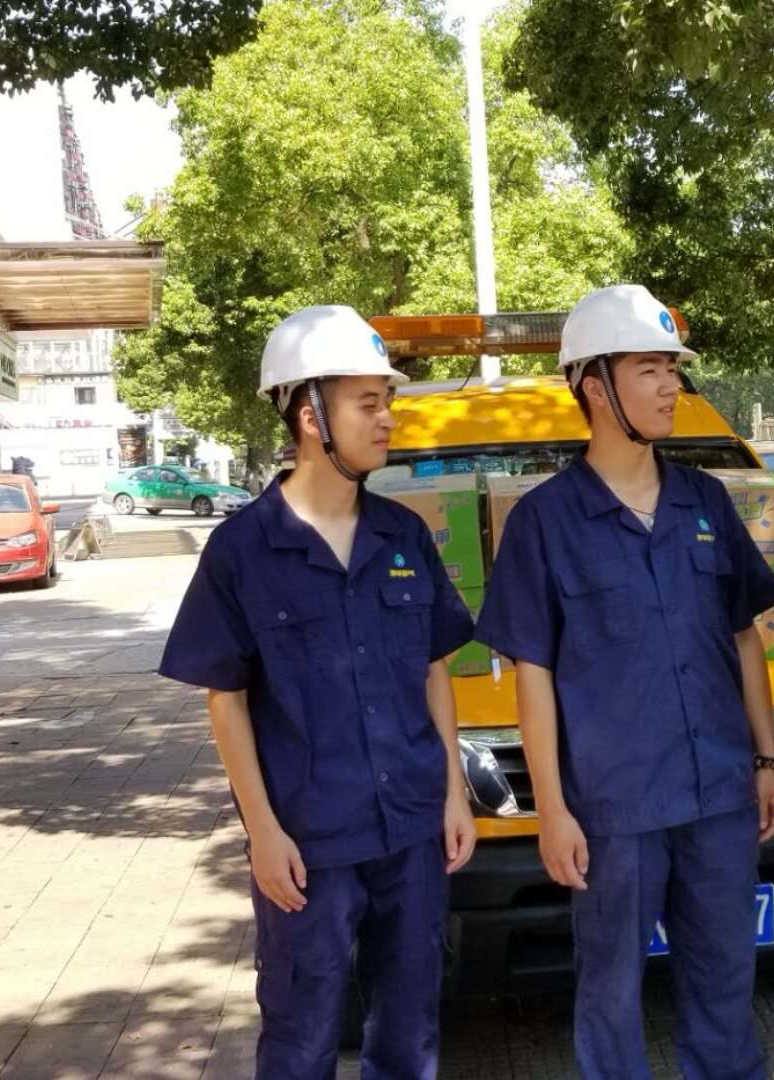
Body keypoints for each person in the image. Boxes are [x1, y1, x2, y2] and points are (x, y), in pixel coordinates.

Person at [473, 284, 774, 1079]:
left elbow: (744, 637)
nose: (670, 385)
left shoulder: (705, 501)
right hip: (614, 812)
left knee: (725, 983)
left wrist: (766, 759)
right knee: (610, 995)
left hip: (719, 796)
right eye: (649, 369)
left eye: (672, 369)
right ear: (593, 384)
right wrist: (551, 810)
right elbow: (533, 676)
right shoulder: (545, 522)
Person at [157, 305, 479, 1078]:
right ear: (311, 416)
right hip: (309, 845)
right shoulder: (241, 550)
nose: (388, 418)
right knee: (301, 1039)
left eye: (388, 401)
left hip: (412, 830)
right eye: (368, 403)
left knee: (409, 1033)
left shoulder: (403, 535)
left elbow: (433, 667)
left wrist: (453, 792)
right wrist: (262, 832)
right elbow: (226, 698)